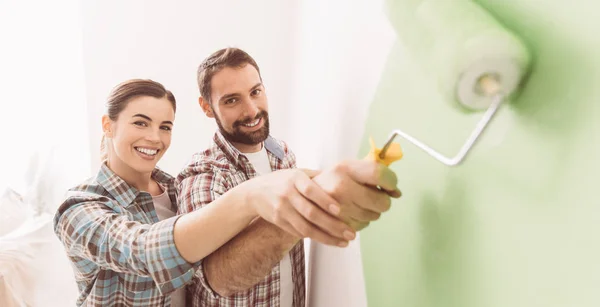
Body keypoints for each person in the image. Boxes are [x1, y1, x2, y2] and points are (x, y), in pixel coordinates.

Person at [53, 79, 397, 307]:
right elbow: (144, 251)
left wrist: (314, 191)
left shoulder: (177, 189)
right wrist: (251, 195)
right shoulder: (78, 209)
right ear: (107, 125)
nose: (154, 138)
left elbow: (217, 262)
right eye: (140, 123)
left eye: (165, 126)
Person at [176, 48, 401, 307]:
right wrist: (301, 211)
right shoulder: (202, 175)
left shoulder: (281, 155)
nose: (251, 110)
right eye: (231, 101)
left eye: (255, 92)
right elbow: (218, 278)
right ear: (206, 107)